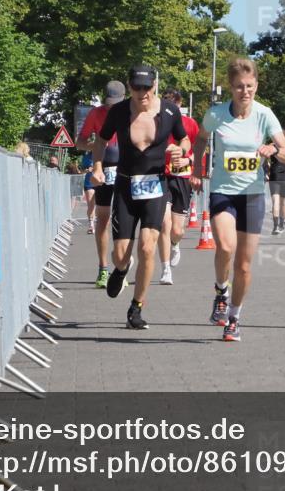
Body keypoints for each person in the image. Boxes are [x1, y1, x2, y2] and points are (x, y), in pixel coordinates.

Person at [192, 59, 285, 342]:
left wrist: (274, 148)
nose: (244, 91)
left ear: (256, 86)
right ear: (231, 88)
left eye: (249, 86)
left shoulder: (264, 115)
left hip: (252, 195)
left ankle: (234, 317)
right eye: (239, 87)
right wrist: (198, 170)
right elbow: (201, 139)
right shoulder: (216, 114)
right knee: (224, 247)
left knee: (244, 266)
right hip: (223, 190)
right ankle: (221, 291)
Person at [91, 66, 188, 329]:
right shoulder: (120, 112)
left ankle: (136, 307)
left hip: (156, 187)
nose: (142, 93)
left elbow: (184, 140)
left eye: (147, 87)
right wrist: (97, 167)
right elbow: (101, 141)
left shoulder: (169, 110)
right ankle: (121, 270)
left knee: (147, 247)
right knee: (121, 254)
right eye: (137, 87)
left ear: (155, 85)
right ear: (130, 86)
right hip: (125, 187)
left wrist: (181, 152)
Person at [78, 81, 127, 288]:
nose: (111, 107)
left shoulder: (132, 112)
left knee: (124, 220)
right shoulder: (95, 114)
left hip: (126, 169)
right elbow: (79, 142)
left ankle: (121, 264)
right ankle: (103, 269)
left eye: (115, 103)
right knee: (103, 219)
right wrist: (97, 144)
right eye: (108, 103)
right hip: (103, 169)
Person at [157, 88, 200, 286]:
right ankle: (165, 269)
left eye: (174, 104)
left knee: (177, 229)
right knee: (164, 224)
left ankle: (175, 244)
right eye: (167, 103)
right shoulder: (156, 121)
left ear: (180, 105)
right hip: (161, 177)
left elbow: (199, 149)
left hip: (182, 177)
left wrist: (190, 161)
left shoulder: (190, 124)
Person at [266, 153, 285, 235]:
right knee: (283, 203)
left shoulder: (271, 147)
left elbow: (264, 160)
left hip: (274, 175)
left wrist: (266, 171)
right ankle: (281, 224)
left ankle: (275, 226)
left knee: (275, 203)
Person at [80, 151, 97, 233]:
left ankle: (102, 222)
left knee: (101, 204)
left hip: (101, 181)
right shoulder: (86, 156)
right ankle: (91, 225)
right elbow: (81, 170)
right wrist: (87, 170)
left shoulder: (104, 153)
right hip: (89, 183)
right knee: (91, 204)